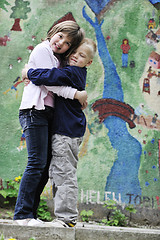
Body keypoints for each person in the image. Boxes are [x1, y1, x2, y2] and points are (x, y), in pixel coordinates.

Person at [14, 20, 86, 226]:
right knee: (37, 163)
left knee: (45, 167)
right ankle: (22, 215)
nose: (61, 42)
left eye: (67, 43)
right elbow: (49, 80)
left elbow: (57, 78)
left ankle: (30, 214)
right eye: (60, 36)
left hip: (47, 113)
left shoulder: (59, 58)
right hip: (33, 111)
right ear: (54, 31)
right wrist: (76, 94)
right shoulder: (42, 49)